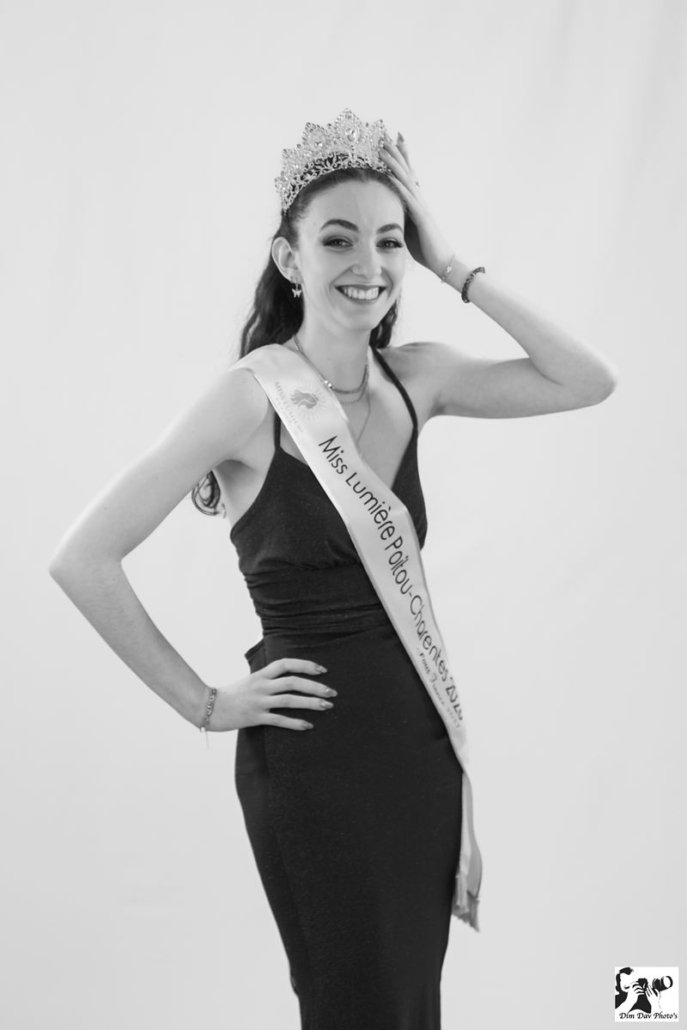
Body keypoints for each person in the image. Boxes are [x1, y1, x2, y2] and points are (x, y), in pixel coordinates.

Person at [49, 109, 619, 1030]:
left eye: (389, 241)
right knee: (353, 1005)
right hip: (313, 763)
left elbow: (586, 380)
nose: (369, 263)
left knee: (408, 1007)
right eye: (338, 239)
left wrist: (452, 263)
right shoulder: (250, 399)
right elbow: (83, 558)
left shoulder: (416, 378)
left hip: (418, 755)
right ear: (289, 258)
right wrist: (205, 703)